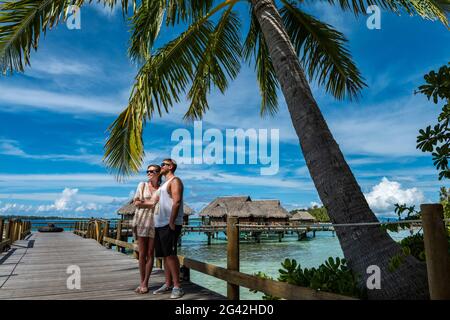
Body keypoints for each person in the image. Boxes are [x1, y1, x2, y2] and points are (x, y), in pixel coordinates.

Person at [152, 158, 185, 299]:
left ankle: (177, 286)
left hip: (169, 223)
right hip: (159, 224)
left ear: (170, 166)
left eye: (163, 164)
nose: (161, 166)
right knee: (165, 255)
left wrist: (171, 221)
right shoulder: (164, 184)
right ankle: (168, 283)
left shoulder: (175, 181)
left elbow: (177, 202)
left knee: (171, 254)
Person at [132, 164, 161, 294]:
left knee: (150, 253)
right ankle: (141, 281)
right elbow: (136, 202)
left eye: (152, 171)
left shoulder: (162, 188)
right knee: (142, 253)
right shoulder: (142, 185)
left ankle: (145, 283)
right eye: (147, 171)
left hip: (155, 222)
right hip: (142, 221)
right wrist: (152, 203)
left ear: (158, 173)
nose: (149, 173)